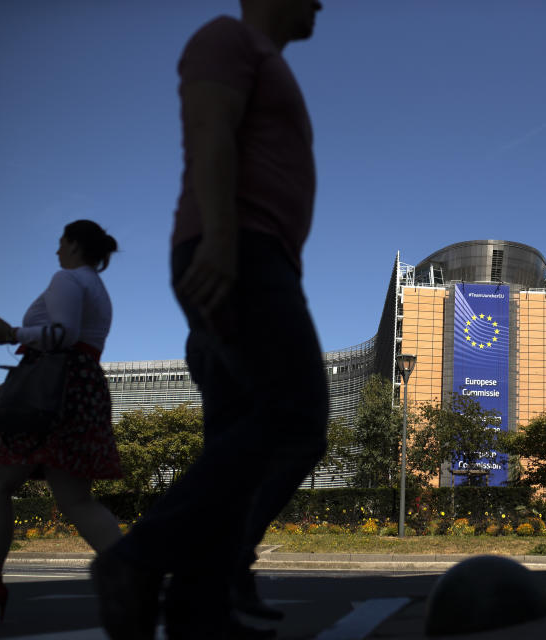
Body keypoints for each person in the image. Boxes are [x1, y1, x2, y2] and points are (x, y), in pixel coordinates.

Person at [91, 1, 328, 638]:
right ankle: (136, 560)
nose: (321, 4)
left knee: (237, 436)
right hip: (237, 246)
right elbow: (208, 127)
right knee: (296, 420)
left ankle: (201, 612)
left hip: (253, 250)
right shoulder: (228, 38)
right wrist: (223, 239)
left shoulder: (271, 62)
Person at [0, 220, 123, 622]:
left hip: (53, 388)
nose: (56, 250)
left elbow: (63, 334)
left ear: (75, 244)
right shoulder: (97, 287)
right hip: (77, 386)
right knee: (76, 498)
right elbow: (76, 344)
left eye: (60, 242)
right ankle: (135, 573)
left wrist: (10, 332)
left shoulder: (66, 278)